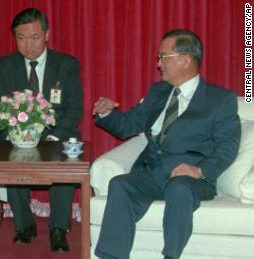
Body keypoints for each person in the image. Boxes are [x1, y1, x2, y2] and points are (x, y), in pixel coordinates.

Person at [92, 29, 241, 259]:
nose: (159, 63)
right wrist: (106, 114)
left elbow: (227, 147)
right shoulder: (158, 93)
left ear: (186, 59)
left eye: (164, 57)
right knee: (120, 184)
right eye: (158, 58)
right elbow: (128, 125)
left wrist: (199, 170)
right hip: (152, 171)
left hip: (190, 176)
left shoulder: (220, 100)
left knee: (179, 188)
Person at [0, 8, 83, 253]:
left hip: (57, 134)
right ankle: (24, 225)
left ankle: (58, 228)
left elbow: (74, 109)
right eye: (21, 38)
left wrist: (51, 137)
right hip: (17, 134)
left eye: (34, 38)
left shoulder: (67, 65)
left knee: (65, 157)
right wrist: (19, 134)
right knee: (12, 154)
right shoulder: (4, 65)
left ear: (47, 35)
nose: (28, 45)